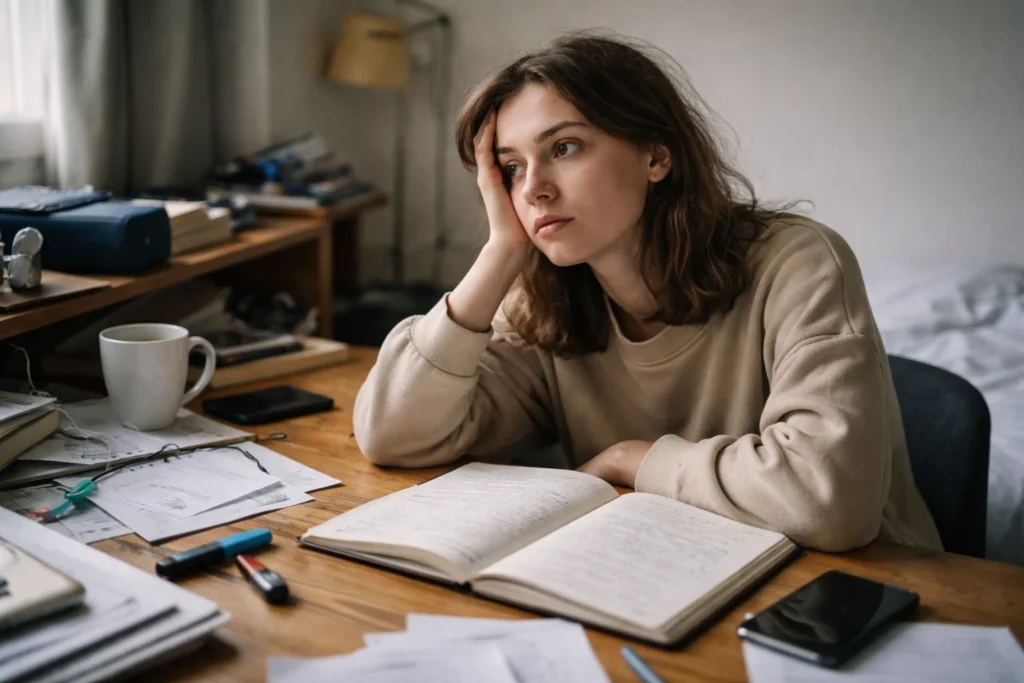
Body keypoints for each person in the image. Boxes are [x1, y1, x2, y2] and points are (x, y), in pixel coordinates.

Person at [353, 32, 942, 553]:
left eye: (563, 148)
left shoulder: (800, 263)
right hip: (668, 568)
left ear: (656, 156)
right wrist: (501, 251)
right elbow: (392, 436)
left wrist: (630, 459)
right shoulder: (543, 299)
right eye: (511, 168)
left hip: (862, 598)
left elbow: (828, 501)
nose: (533, 190)